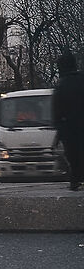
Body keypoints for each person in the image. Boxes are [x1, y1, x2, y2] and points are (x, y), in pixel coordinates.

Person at [52, 51, 84, 191]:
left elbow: (57, 113)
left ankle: (76, 179)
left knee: (74, 156)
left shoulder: (61, 87)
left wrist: (59, 134)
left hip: (70, 129)